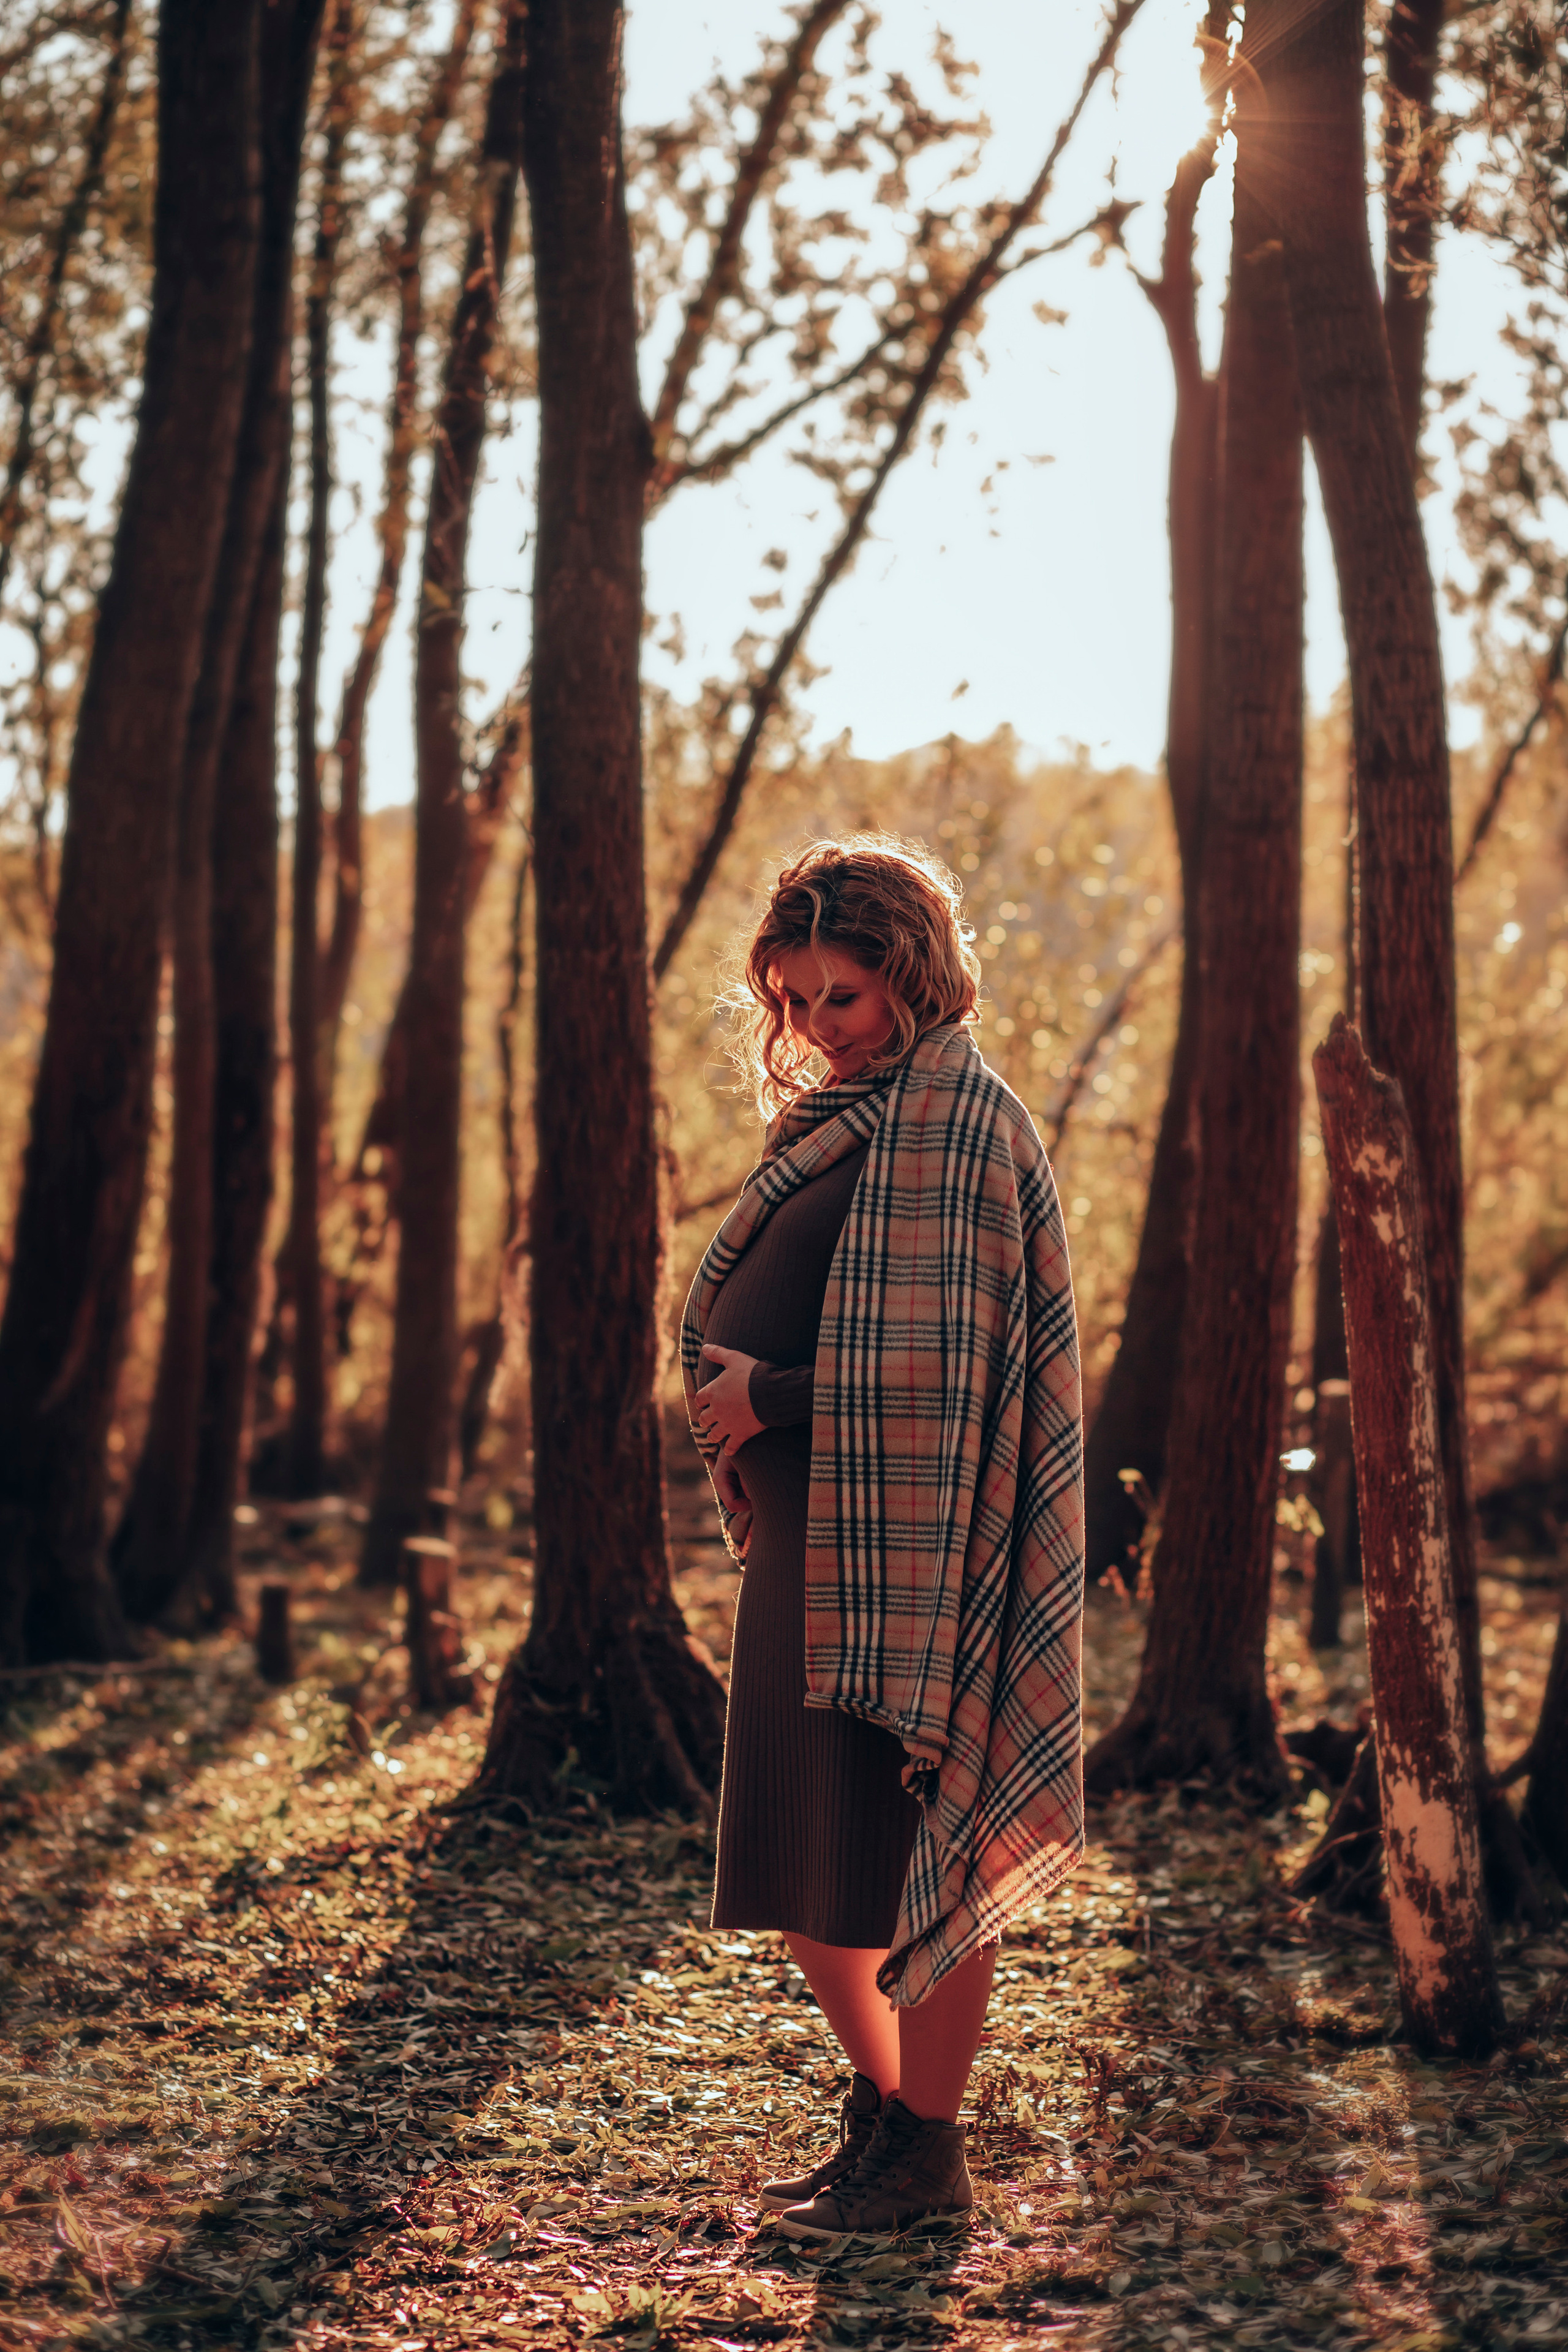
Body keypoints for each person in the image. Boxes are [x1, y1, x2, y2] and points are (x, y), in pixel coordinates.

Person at [681, 837, 1085, 2241]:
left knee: (925, 1853)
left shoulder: (961, 1123)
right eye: (790, 1000)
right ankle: (885, 2120)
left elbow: (946, 1367)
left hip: (916, 1553)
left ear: (909, 975)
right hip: (814, 1542)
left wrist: (767, 1393)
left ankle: (926, 2152)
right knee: (803, 1856)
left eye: (836, 997)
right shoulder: (857, 1115)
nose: (807, 1027)